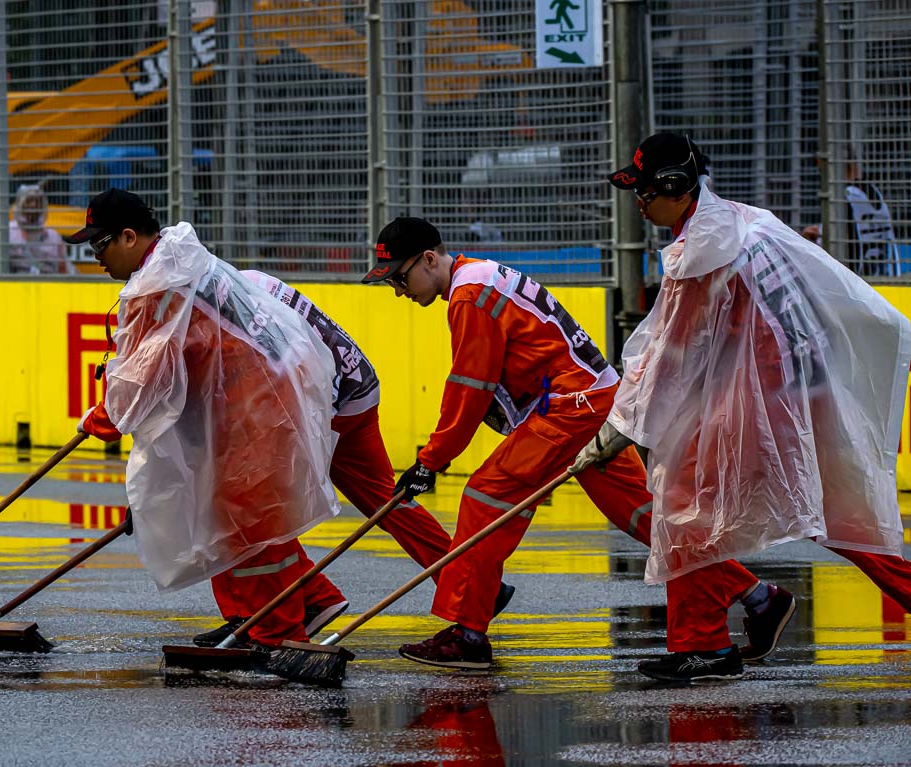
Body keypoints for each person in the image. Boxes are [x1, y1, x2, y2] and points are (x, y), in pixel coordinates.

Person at [593, 132, 911, 683]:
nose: (638, 203)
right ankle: (731, 624)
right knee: (840, 517)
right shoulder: (746, 220)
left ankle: (706, 644)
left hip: (760, 403)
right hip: (797, 390)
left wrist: (618, 429)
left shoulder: (701, 252)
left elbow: (671, 355)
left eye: (644, 191)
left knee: (687, 503)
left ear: (674, 188)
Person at [361, 216, 658, 671]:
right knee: (644, 517)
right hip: (595, 398)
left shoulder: (469, 294)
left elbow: (469, 387)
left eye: (400, 278)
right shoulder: (479, 277)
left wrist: (430, 462)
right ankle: (757, 597)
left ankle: (468, 634)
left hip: (569, 406)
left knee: (485, 499)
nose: (399, 290)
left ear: (428, 259)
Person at [62, 188, 344, 648]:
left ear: (129, 237)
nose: (96, 257)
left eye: (99, 245)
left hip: (254, 406)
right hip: (255, 398)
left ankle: (276, 633)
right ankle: (304, 602)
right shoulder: (180, 260)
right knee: (232, 515)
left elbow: (142, 374)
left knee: (247, 519)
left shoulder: (160, 281)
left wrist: (106, 417)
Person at [189, 266, 517, 648]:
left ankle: (277, 607)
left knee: (248, 499)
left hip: (322, 397)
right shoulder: (245, 281)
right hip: (355, 386)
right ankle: (471, 585)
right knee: (386, 501)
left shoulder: (218, 307)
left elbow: (285, 363)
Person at [800, 153, 901, 278]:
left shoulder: (848, 194)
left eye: (822, 170)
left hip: (862, 276)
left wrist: (817, 233)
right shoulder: (872, 190)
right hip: (887, 270)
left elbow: (843, 233)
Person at [0, 184, 74, 276]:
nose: (34, 205)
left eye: (38, 202)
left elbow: (63, 268)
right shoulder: (6, 231)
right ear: (20, 205)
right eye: (29, 201)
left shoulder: (52, 236)